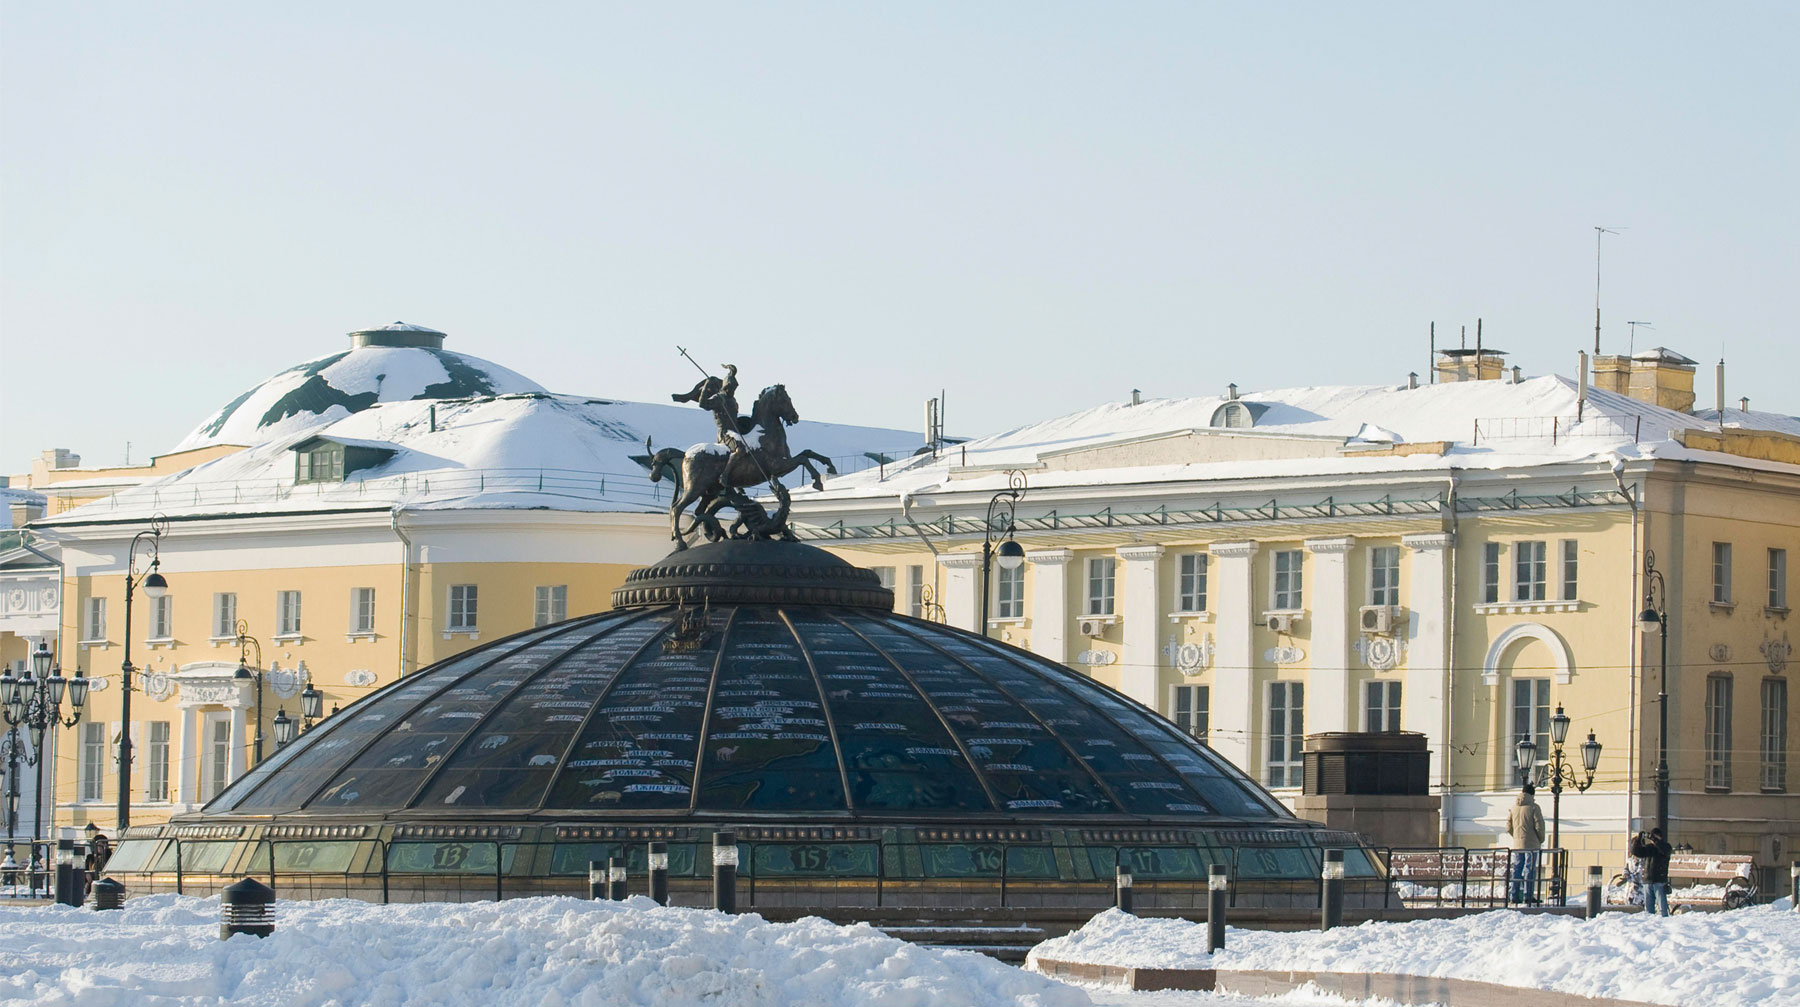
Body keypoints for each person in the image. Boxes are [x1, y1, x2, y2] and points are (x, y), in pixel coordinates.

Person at [1507, 783, 1546, 904]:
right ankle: (1528, 896)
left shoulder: (1514, 808)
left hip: (1517, 844)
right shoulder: (1534, 807)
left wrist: (1517, 836)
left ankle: (1514, 895)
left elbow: (1508, 826)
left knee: (1517, 868)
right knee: (1529, 868)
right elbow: (1539, 826)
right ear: (1532, 794)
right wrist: (1540, 839)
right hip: (1532, 844)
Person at [1630, 827, 1673, 917]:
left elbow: (1664, 850)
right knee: (1649, 910)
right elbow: (1636, 852)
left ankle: (1665, 923)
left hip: (1659, 881)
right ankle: (1651, 926)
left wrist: (1654, 839)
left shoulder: (1666, 847)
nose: (1653, 839)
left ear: (1660, 837)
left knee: (1663, 908)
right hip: (1647, 881)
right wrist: (1638, 839)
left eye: (1655, 837)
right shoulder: (1650, 848)